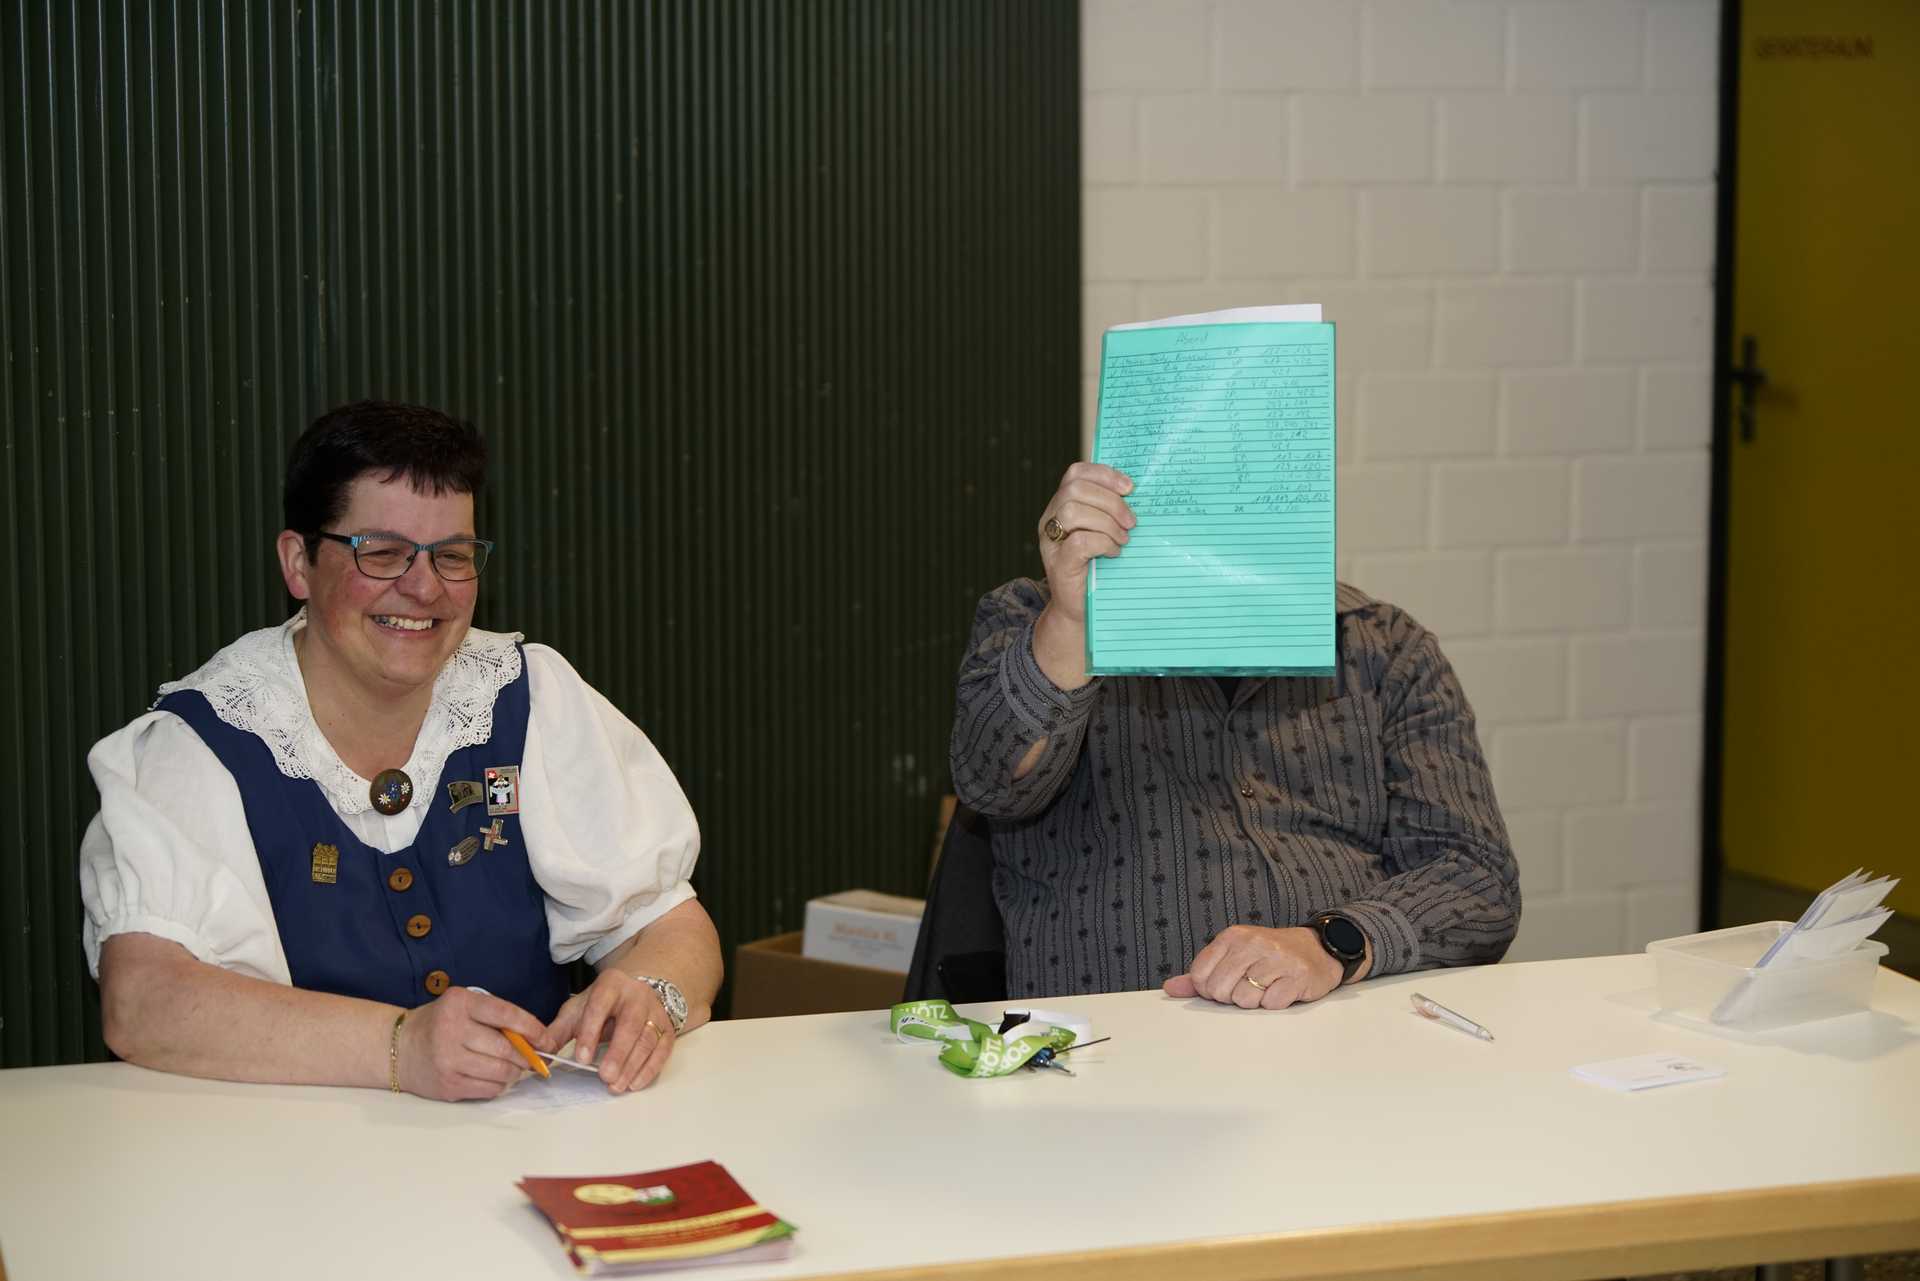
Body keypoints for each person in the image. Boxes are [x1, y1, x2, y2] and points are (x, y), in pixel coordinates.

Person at [79, 401, 721, 1100]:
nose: (424, 587)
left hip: (525, 1143)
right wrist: (398, 1047)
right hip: (288, 1154)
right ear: (298, 563)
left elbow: (670, 924)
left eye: (453, 555)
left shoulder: (530, 698)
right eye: (382, 553)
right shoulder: (204, 743)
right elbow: (143, 1000)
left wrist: (652, 993)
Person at [949, 462, 1519, 1008]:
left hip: (1351, 1026)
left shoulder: (1383, 645)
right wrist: (1072, 624)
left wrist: (1333, 944)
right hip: (1119, 1036)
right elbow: (991, 781)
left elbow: (1478, 880)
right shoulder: (1028, 616)